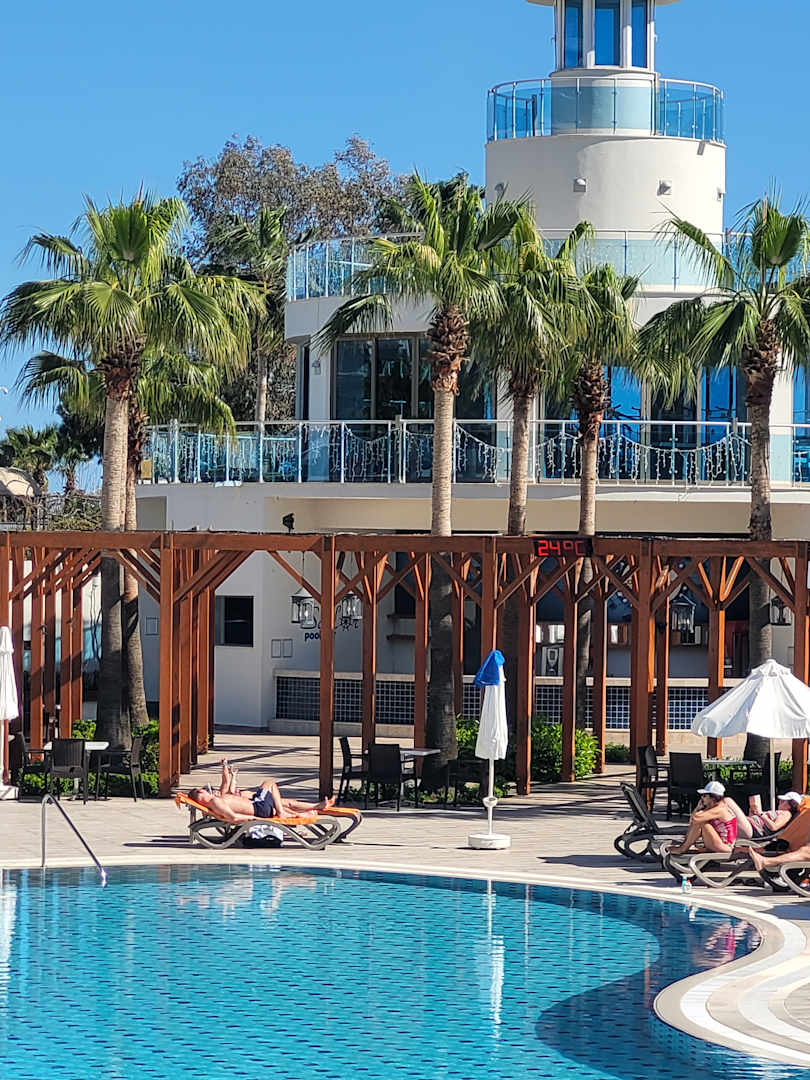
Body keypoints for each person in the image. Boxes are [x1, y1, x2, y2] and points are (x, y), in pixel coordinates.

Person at [187, 759, 335, 823]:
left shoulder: (215, 801)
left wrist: (227, 769)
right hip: (258, 807)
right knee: (270, 783)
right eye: (204, 790)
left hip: (257, 805)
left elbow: (226, 784)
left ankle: (306, 811)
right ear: (200, 794)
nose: (207, 790)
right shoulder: (215, 801)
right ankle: (284, 813)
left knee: (285, 802)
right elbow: (233, 818)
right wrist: (255, 819)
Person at [668, 780, 738, 855]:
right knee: (699, 821)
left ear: (713, 798)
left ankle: (683, 848)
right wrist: (698, 809)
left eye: (704, 795)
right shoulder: (713, 808)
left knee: (701, 822)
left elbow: (695, 819)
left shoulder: (720, 809)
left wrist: (698, 808)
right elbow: (692, 822)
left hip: (725, 847)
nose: (701, 798)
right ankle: (685, 846)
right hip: (720, 844)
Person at [725, 791, 803, 840]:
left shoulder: (786, 814)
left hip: (752, 829)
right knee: (725, 812)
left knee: (727, 801)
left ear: (790, 805)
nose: (779, 802)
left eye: (783, 801)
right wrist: (753, 811)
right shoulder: (780, 812)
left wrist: (761, 813)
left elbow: (774, 827)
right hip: (750, 826)